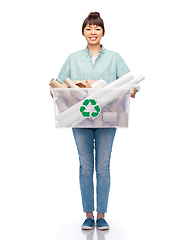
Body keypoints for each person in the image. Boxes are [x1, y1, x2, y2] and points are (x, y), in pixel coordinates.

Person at [51, 12, 137, 230]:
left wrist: (134, 89)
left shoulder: (115, 57)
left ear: (103, 32)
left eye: (97, 28)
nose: (93, 32)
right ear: (83, 32)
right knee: (85, 166)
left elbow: (131, 81)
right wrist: (55, 91)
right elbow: (59, 82)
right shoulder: (73, 58)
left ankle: (102, 215)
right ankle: (88, 215)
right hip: (81, 119)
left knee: (103, 167)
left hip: (108, 118)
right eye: (89, 28)